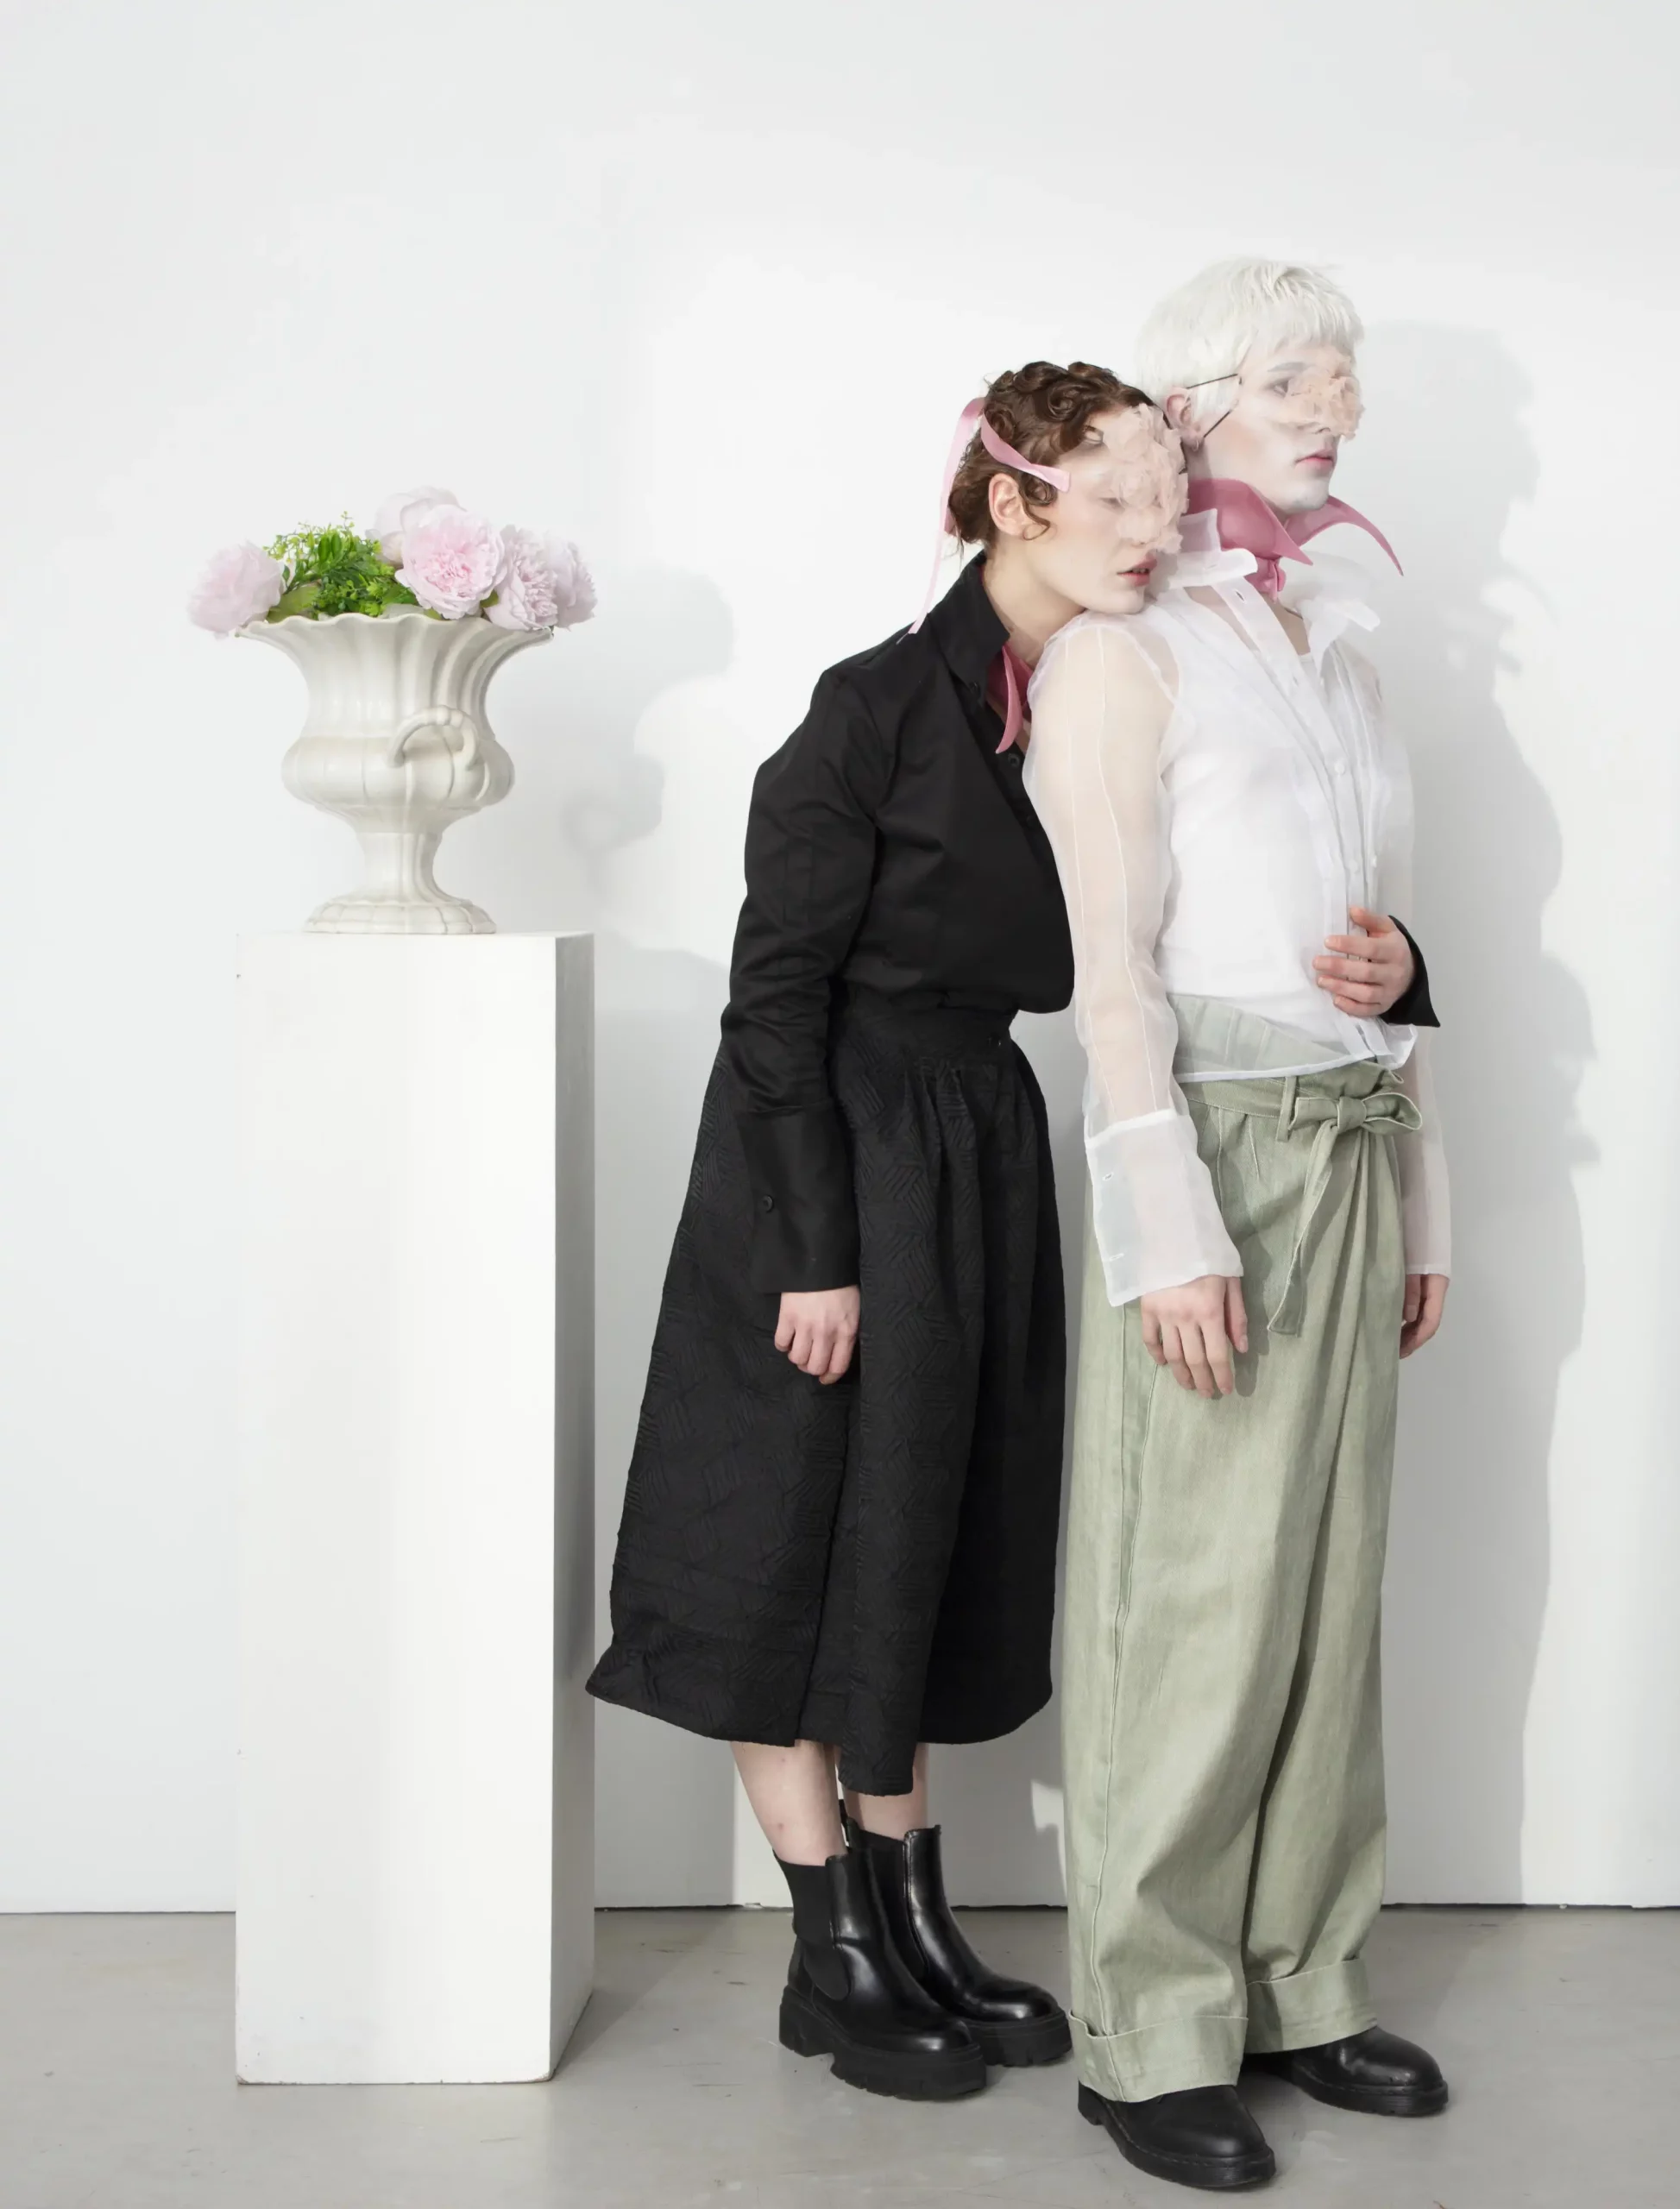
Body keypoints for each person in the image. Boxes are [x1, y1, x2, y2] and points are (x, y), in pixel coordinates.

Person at [589, 362, 1193, 2101]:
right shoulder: (868, 707)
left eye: (1168, 496)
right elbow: (771, 997)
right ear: (1014, 500)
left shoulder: (1095, 697)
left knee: (919, 1533)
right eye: (1116, 495)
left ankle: (907, 1917)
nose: (1152, 532)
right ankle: (828, 1950)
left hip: (971, 1139)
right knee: (788, 1536)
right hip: (830, 1158)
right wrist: (811, 1249)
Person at [1023, 260, 1451, 2189]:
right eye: (1293, 374)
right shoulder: (1127, 652)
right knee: (1186, 1601)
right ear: (1190, 409)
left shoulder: (1338, 649)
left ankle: (1302, 1981)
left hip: (1355, 1141)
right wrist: (1165, 1223)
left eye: (1344, 373)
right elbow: (1110, 969)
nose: (1334, 403)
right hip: (1211, 1148)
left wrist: (1422, 1178)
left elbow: (1370, 940)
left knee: (1327, 1595)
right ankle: (1151, 2026)